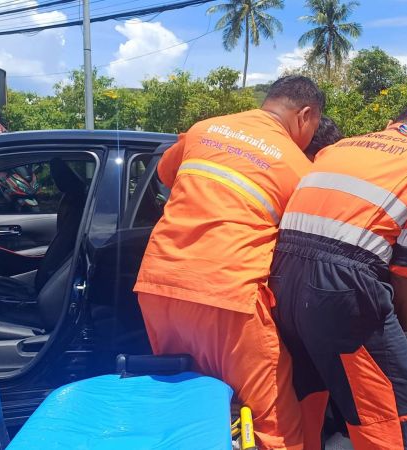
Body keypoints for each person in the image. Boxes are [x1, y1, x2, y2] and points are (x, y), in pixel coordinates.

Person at [133, 75, 324, 450]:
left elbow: (165, 176)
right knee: (274, 428)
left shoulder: (204, 129)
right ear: (306, 114)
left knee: (189, 406)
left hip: (159, 284)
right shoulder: (299, 168)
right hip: (228, 295)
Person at [270, 105, 407, 449]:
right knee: (394, 419)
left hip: (281, 276)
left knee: (305, 400)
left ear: (390, 125)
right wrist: (404, 333)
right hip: (343, 287)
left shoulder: (336, 149)